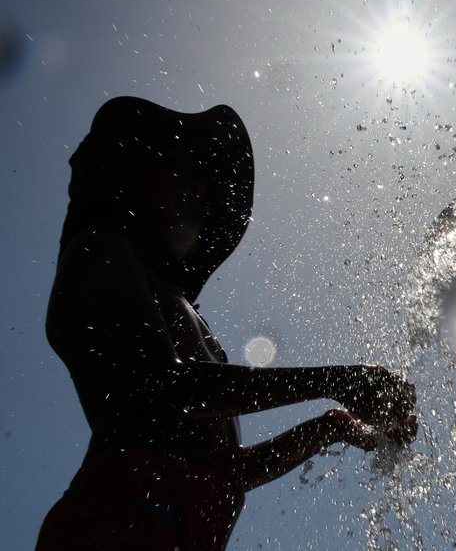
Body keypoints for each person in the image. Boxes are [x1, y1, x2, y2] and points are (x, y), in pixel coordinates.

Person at [37, 96, 417, 551]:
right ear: (131, 173)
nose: (199, 188)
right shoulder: (99, 249)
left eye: (204, 182)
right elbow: (168, 388)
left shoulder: (182, 309)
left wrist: (331, 426)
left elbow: (227, 467)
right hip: (116, 524)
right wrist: (338, 379)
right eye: (180, 167)